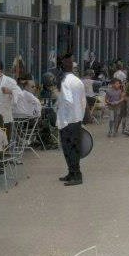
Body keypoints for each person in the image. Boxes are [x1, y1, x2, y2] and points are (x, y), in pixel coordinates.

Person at [56, 53, 87, 186]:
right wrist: (80, 115)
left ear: (63, 66)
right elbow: (83, 101)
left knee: (68, 149)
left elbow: (67, 101)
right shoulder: (77, 81)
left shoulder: (65, 82)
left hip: (67, 121)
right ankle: (72, 173)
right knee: (74, 148)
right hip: (76, 119)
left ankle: (76, 175)